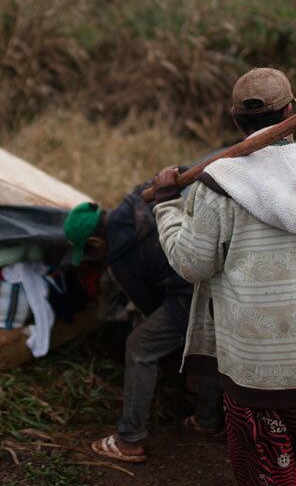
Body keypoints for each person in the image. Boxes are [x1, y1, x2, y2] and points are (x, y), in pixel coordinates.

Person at [150, 67, 296, 486]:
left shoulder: (218, 185)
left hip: (256, 368)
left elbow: (192, 264)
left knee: (269, 472)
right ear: (291, 109)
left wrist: (167, 204)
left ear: (235, 118)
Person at [66, 197, 224, 465]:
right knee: (210, 340)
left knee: (141, 346)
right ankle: (207, 419)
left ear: (95, 243)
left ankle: (129, 439)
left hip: (186, 293)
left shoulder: (118, 260)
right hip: (214, 274)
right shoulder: (136, 202)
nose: (94, 260)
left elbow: (149, 305)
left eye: (90, 254)